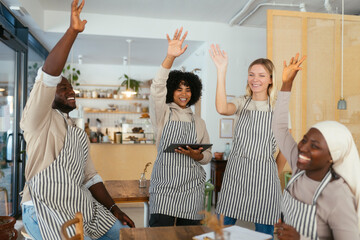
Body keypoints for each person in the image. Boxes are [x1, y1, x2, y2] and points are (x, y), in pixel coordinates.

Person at [20, 1, 134, 239]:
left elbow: (91, 177)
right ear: (49, 95)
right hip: (45, 210)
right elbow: (48, 76)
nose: (71, 91)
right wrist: (72, 32)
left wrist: (115, 209)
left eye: (71, 87)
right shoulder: (37, 120)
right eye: (63, 87)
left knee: (125, 234)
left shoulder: (77, 131)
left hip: (81, 205)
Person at [273, 53, 360, 240]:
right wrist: (287, 83)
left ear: (332, 156)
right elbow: (280, 128)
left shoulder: (337, 195)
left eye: (315, 146)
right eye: (304, 140)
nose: (302, 148)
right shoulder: (299, 168)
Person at [209, 44, 287, 237]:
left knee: (264, 233)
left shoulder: (279, 108)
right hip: (236, 174)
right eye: (251, 74)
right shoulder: (241, 102)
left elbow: (285, 146)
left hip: (264, 179)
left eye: (261, 75)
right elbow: (221, 108)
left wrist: (273, 173)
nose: (255, 79)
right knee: (222, 230)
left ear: (270, 79)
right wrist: (221, 70)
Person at [149, 27, 212, 227]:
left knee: (189, 235)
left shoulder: (199, 122)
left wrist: (198, 156)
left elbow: (208, 156)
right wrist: (170, 57)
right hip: (164, 187)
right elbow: (157, 88)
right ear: (171, 91)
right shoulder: (163, 113)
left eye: (188, 90)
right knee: (160, 234)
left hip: (192, 188)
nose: (183, 94)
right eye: (178, 89)